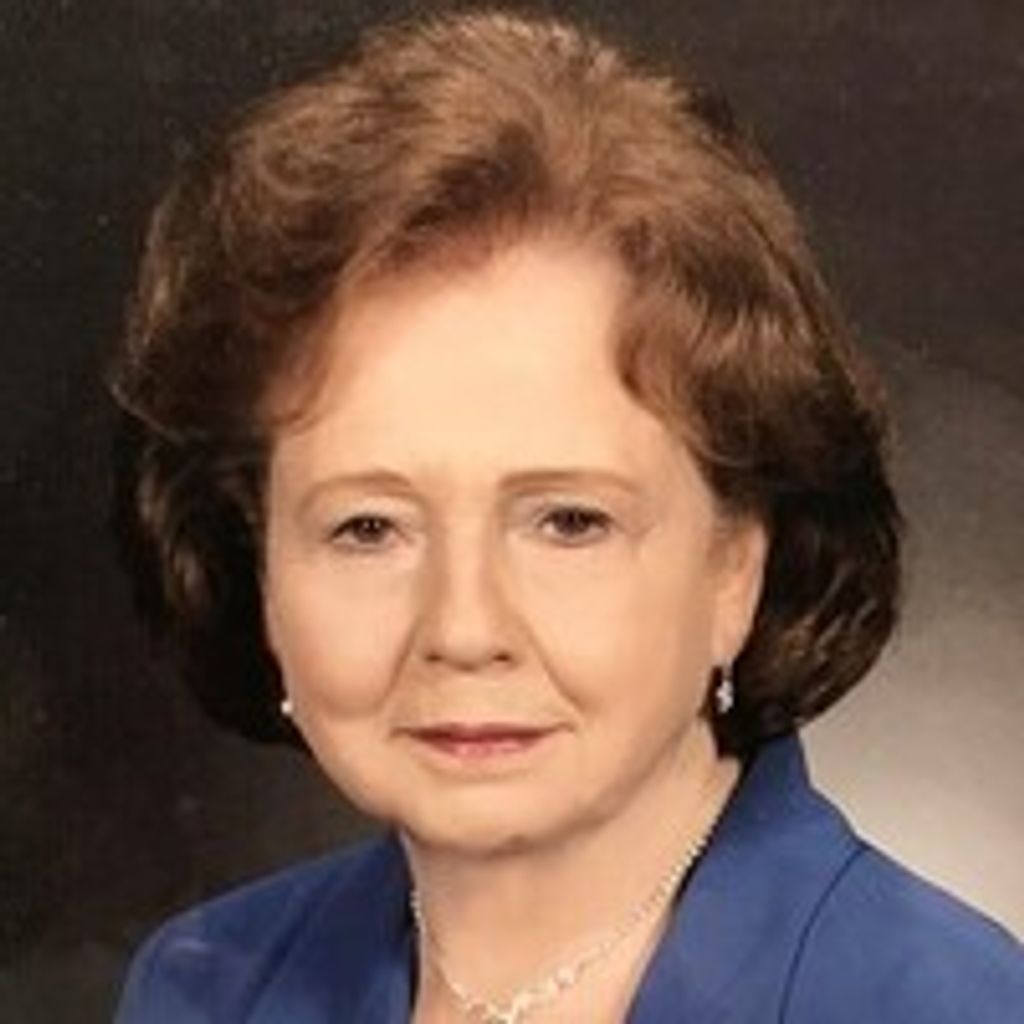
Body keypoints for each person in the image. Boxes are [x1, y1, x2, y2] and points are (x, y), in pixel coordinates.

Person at [111, 8, 1023, 1023]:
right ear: (261, 567)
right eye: (367, 528)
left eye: (569, 522)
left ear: (735, 565)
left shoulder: (943, 1004)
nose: (464, 630)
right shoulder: (204, 989)